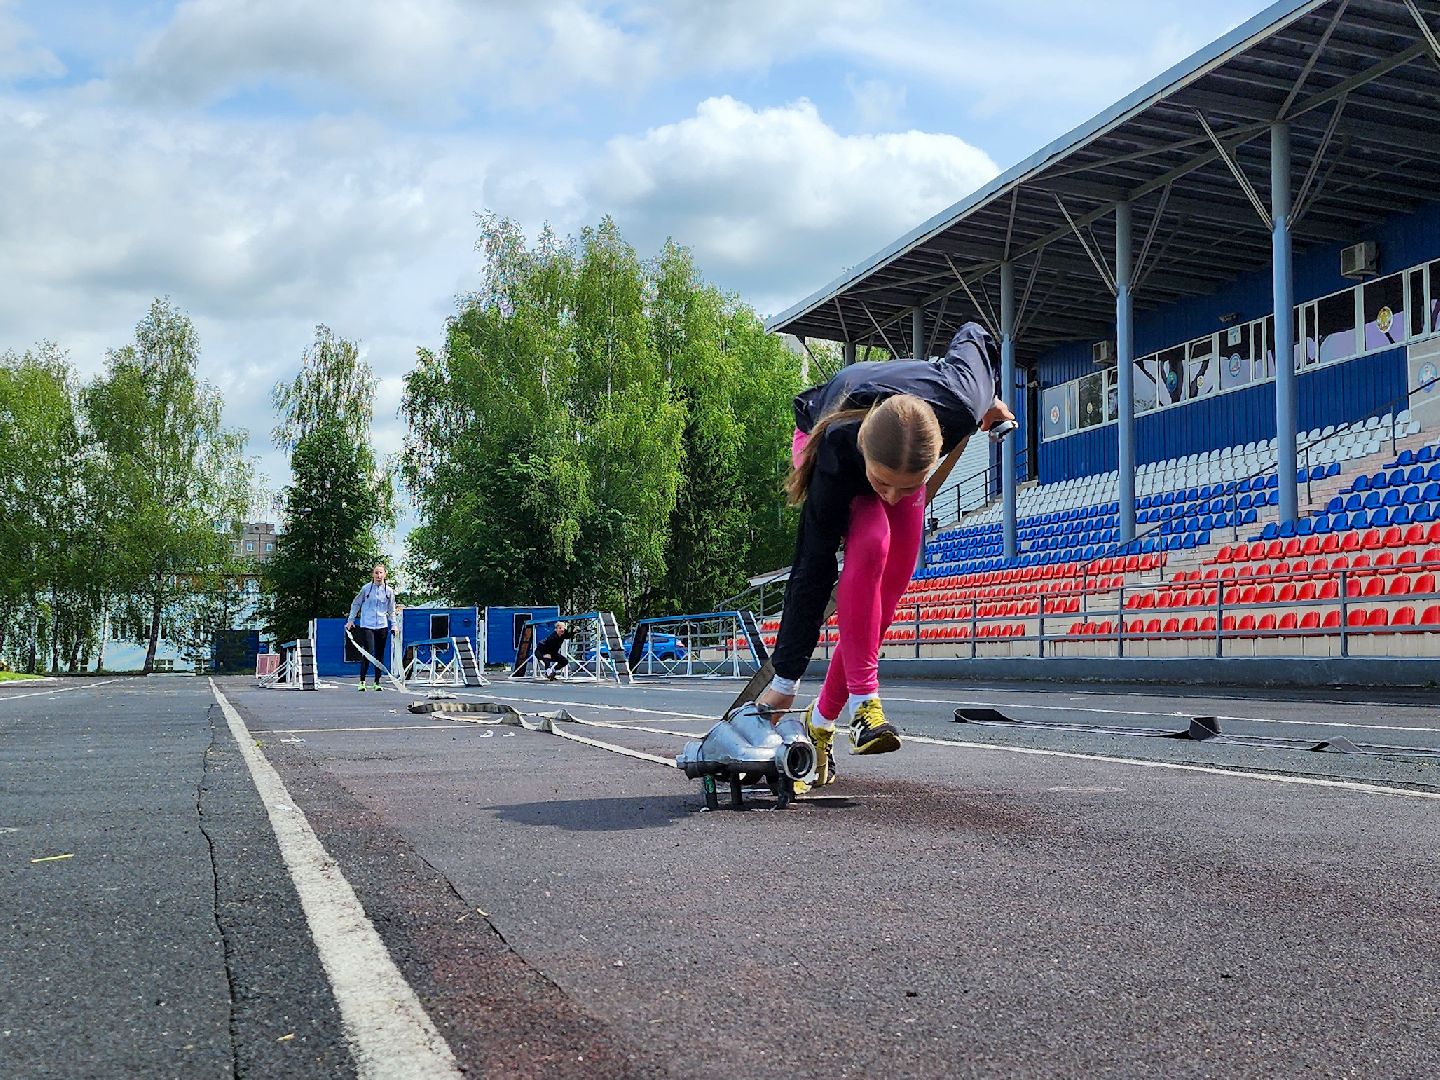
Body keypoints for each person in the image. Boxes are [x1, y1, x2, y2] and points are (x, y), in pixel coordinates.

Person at [756, 323, 1013, 791]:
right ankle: (866, 705)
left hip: (905, 434)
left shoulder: (960, 401)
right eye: (885, 485)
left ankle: (822, 721)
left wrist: (989, 397)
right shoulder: (835, 456)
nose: (894, 497)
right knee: (872, 541)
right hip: (828, 434)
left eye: (908, 487)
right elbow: (812, 570)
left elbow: (975, 333)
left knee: (889, 592)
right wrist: (786, 679)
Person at [346, 563, 397, 691]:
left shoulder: (389, 591)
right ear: (372, 574)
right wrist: (351, 620)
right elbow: (356, 603)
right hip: (367, 624)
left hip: (382, 624)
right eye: (376, 573)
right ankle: (362, 681)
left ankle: (377, 682)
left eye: (381, 573)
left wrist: (394, 625)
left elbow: (391, 610)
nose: (378, 575)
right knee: (368, 651)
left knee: (380, 654)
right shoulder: (366, 589)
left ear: (385, 574)